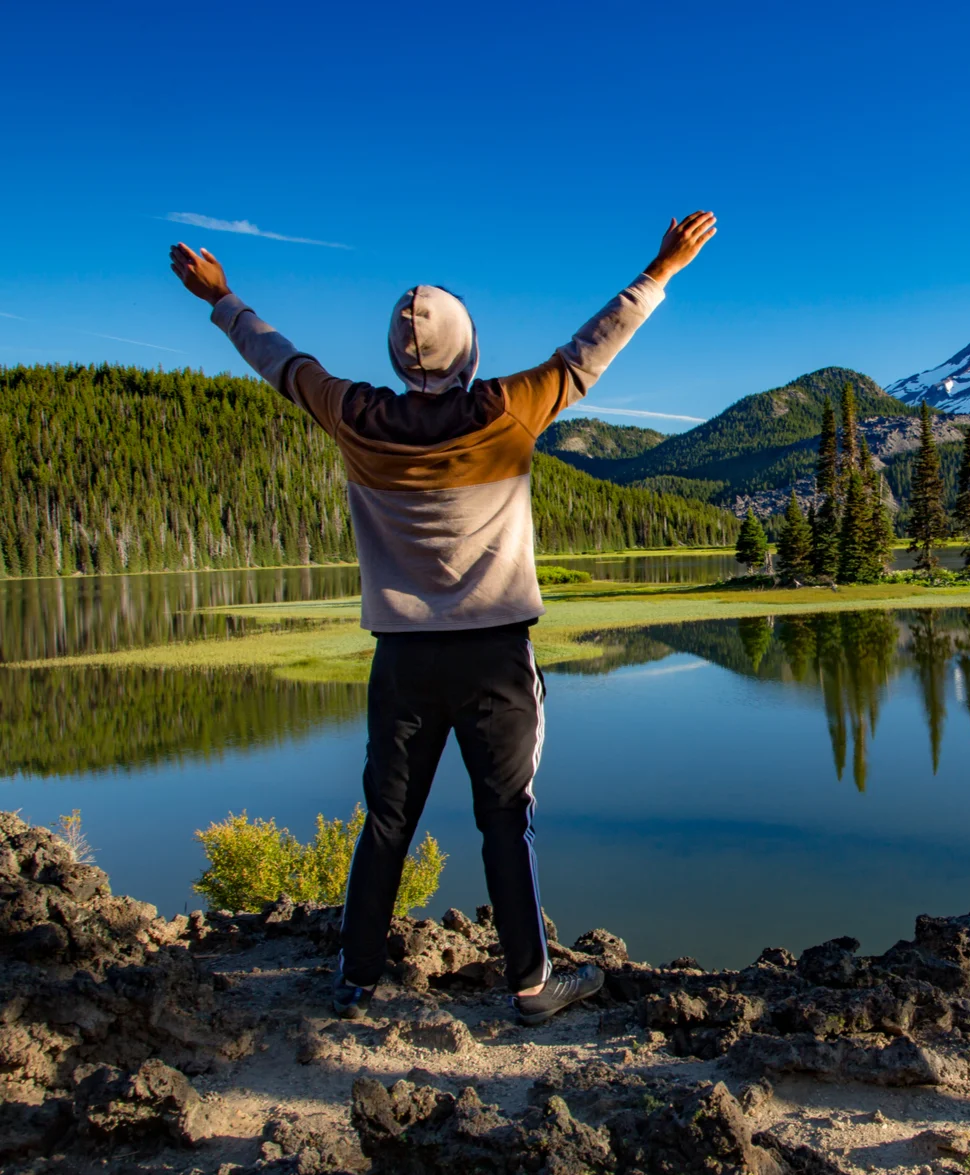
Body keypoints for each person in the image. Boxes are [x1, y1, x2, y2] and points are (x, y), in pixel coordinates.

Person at [169, 212, 717, 1022]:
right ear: (469, 351)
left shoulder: (352, 414)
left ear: (397, 355)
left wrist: (221, 298)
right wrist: (662, 268)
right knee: (505, 818)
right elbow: (597, 343)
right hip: (495, 657)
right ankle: (531, 986)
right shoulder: (508, 408)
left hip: (402, 659)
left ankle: (354, 980)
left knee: (386, 821)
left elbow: (281, 361)